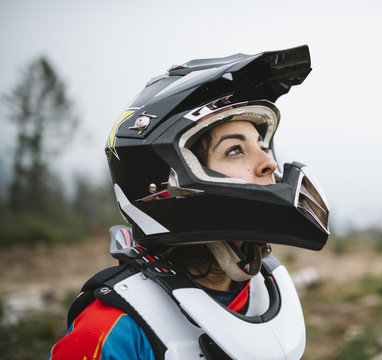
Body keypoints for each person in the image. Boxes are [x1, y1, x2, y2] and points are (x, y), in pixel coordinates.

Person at [49, 45, 330, 360]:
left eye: (262, 145)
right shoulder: (109, 329)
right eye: (235, 150)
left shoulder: (264, 292)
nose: (269, 163)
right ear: (170, 177)